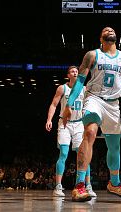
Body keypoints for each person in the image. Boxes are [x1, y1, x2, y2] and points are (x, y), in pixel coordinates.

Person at [62, 27, 121, 201]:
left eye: (112, 29)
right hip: (94, 98)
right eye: (105, 30)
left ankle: (114, 184)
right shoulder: (92, 55)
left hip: (114, 104)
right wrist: (68, 105)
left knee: (114, 147)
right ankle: (79, 186)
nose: (109, 29)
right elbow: (80, 81)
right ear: (101, 38)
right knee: (90, 132)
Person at [45, 66, 96, 197]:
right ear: (68, 75)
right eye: (72, 71)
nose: (75, 72)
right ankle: (58, 186)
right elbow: (54, 104)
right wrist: (49, 119)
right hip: (64, 123)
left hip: (79, 124)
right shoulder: (62, 88)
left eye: (77, 71)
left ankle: (88, 186)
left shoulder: (85, 89)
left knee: (84, 155)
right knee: (63, 153)